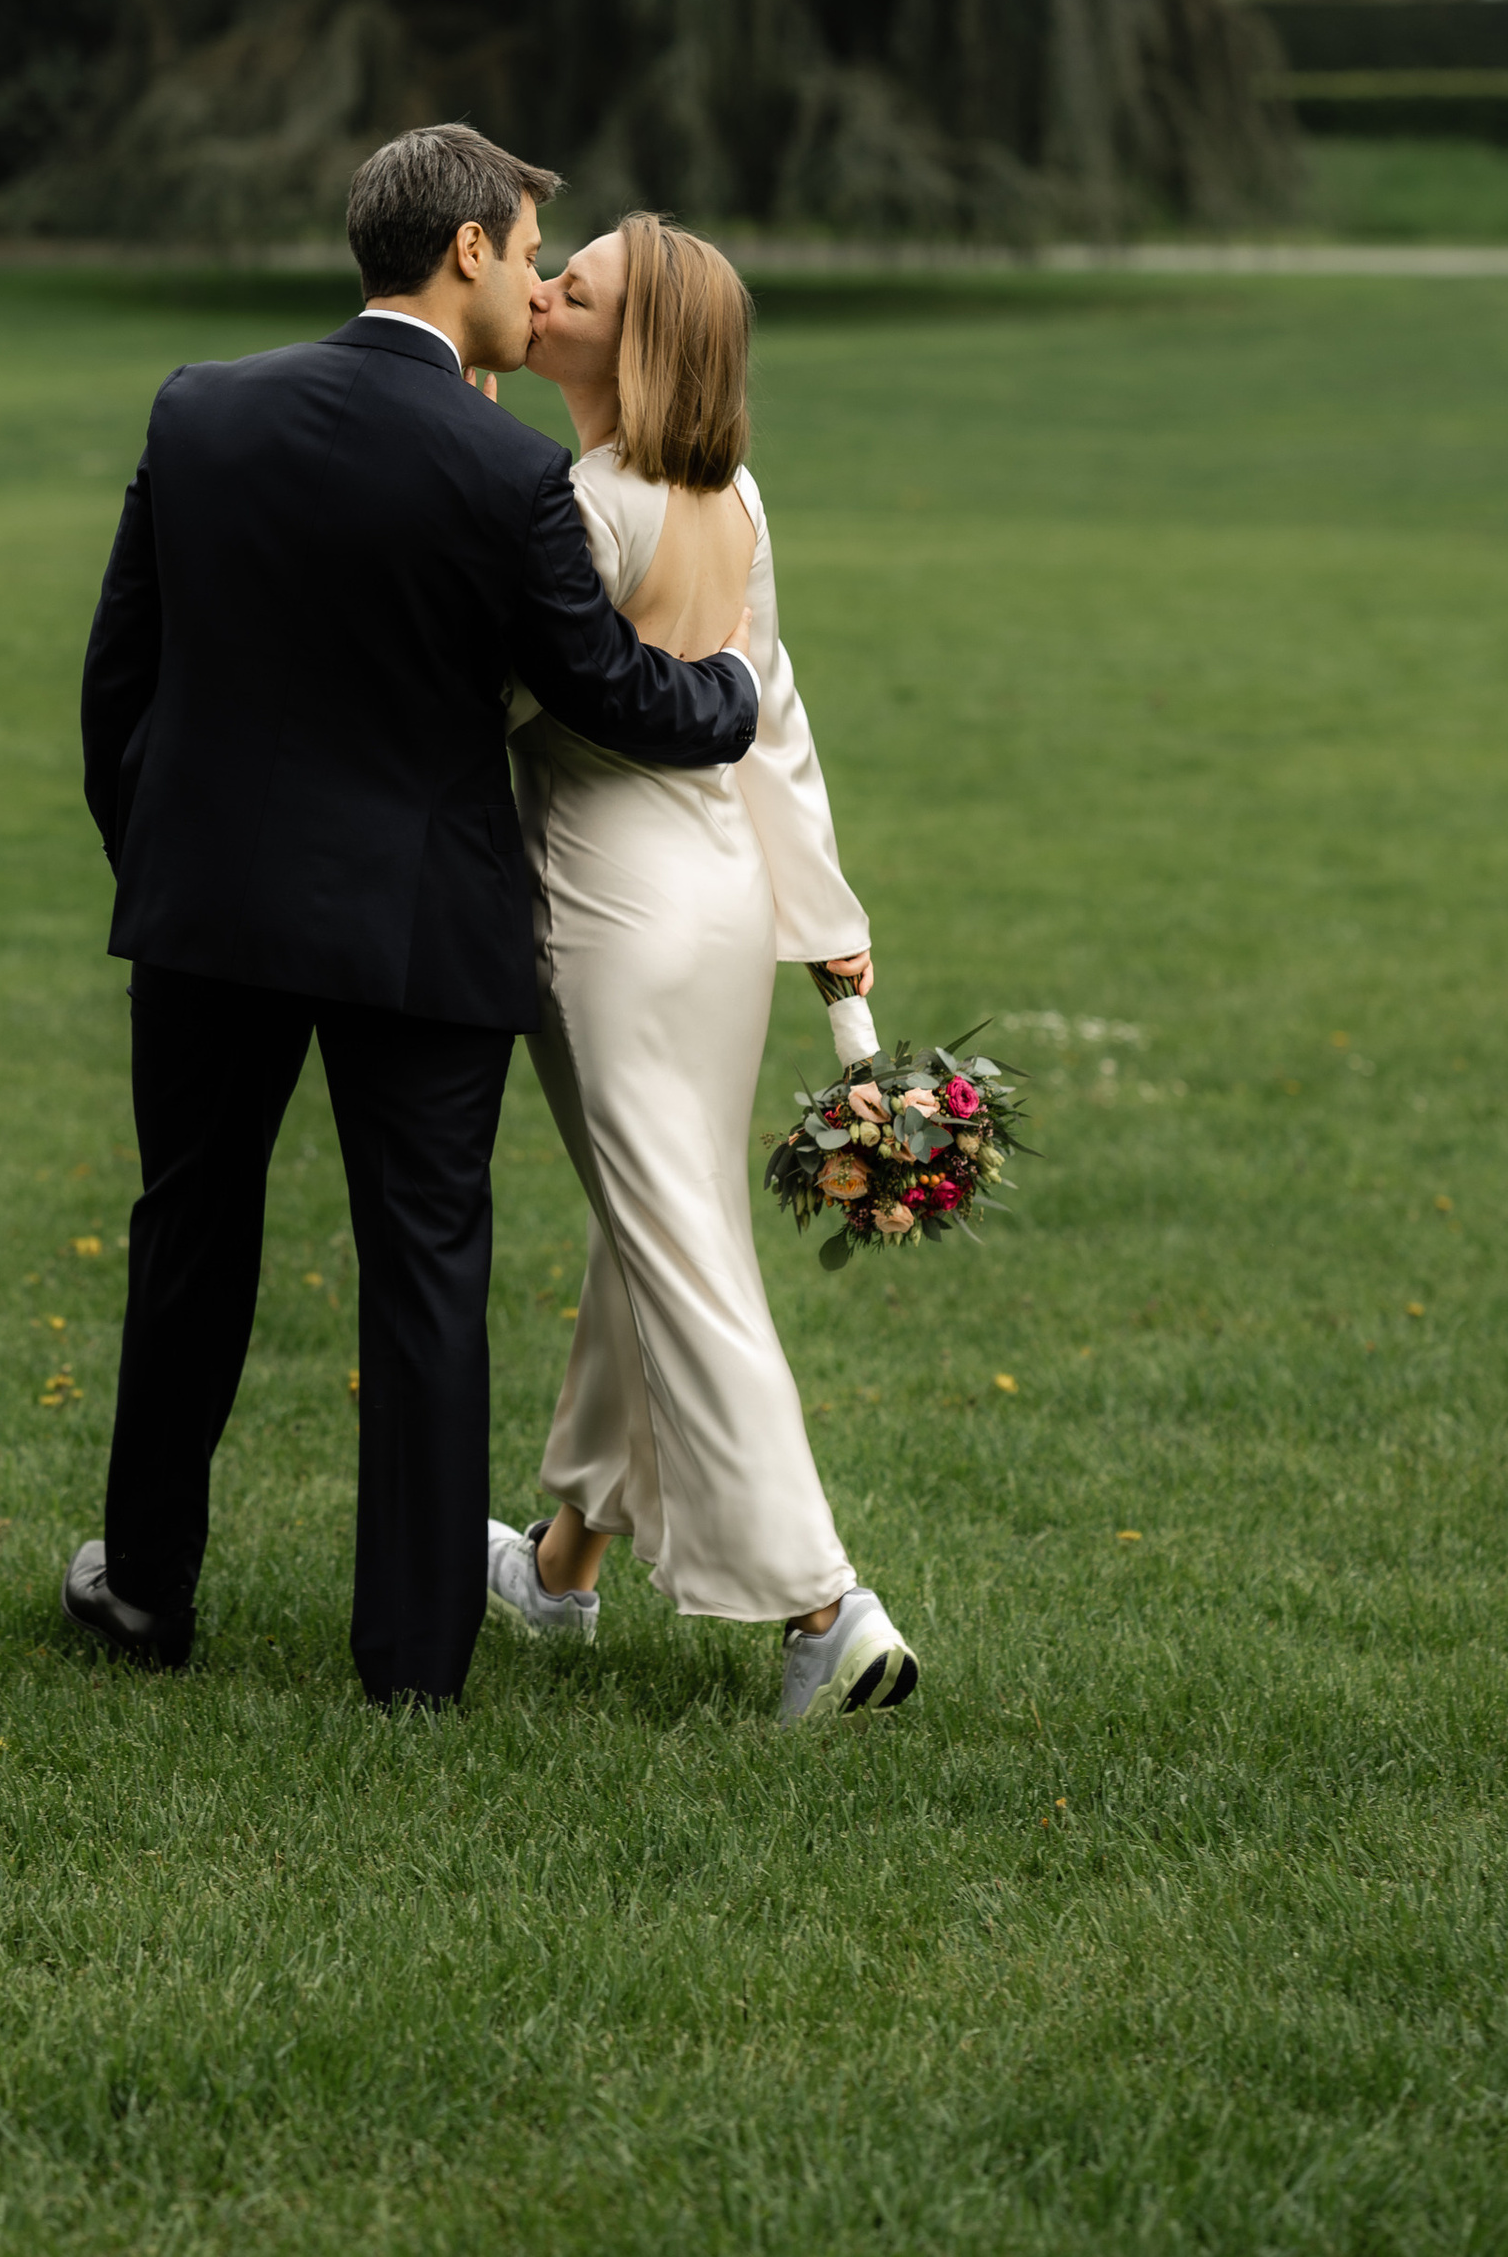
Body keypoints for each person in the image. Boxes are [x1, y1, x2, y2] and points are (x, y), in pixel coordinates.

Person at [69, 126, 762, 1711]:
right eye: (529, 251)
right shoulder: (507, 466)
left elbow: (123, 677)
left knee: (192, 1237)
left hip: (206, 912)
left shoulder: (201, 407)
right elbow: (605, 689)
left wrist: (159, 861)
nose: (536, 282)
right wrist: (732, 692)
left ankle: (145, 1595)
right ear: (466, 253)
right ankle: (414, 1663)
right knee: (428, 1272)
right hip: (419, 928)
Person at [485, 213, 919, 1727]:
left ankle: (822, 1607)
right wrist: (829, 935)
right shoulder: (732, 495)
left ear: (636, 344)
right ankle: (561, 1569)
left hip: (613, 914)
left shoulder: (585, 508)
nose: (541, 295)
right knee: (649, 1228)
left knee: (675, 1244)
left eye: (575, 289)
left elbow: (510, 706)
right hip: (724, 910)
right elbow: (772, 717)